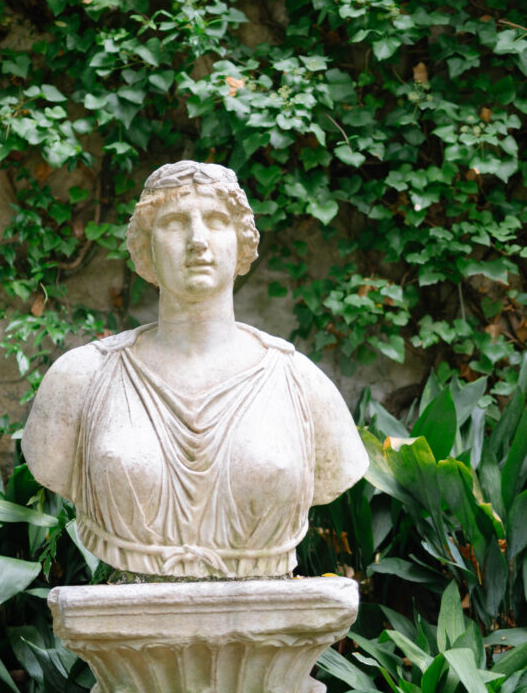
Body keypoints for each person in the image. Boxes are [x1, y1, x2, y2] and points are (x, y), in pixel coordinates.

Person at [22, 161, 368, 579]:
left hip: (259, 612)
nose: (197, 240)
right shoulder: (81, 378)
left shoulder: (300, 382)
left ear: (242, 242)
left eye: (217, 221)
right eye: (173, 223)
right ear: (145, 248)